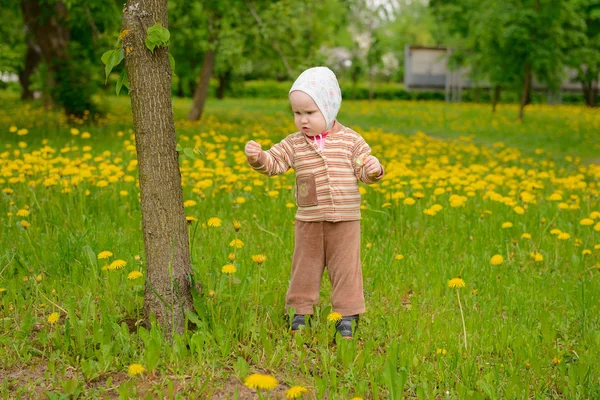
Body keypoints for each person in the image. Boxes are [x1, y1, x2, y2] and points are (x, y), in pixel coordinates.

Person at [244, 66, 384, 338]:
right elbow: (275, 164)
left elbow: (364, 168)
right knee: (304, 265)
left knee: (346, 267)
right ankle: (300, 311)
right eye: (297, 113)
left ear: (329, 108)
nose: (302, 120)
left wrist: (374, 169)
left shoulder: (350, 140)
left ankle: (347, 313)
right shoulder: (294, 144)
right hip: (309, 218)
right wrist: (258, 158)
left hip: (345, 218)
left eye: (310, 113)